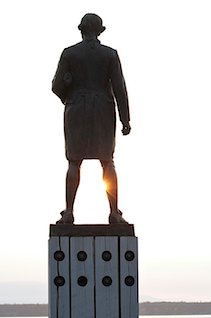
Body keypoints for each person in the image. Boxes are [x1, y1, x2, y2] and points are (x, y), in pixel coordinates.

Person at [52, 13, 131, 224]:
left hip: (76, 108)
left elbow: (56, 86)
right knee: (107, 161)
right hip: (103, 109)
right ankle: (114, 213)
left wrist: (67, 92)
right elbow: (119, 89)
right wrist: (125, 119)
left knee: (74, 162)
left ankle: (68, 212)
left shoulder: (69, 54)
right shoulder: (110, 55)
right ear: (100, 30)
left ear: (81, 29)